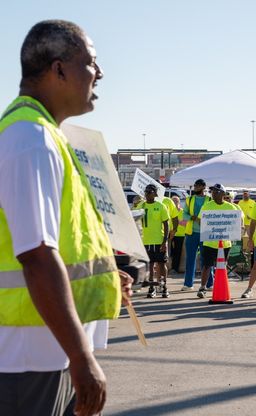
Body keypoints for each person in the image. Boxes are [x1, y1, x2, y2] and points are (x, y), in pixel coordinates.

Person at [0, 20, 132, 416]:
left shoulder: (45, 135)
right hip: (28, 356)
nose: (100, 73)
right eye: (91, 62)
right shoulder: (31, 139)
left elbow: (59, 244)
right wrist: (80, 356)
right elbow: (37, 255)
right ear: (58, 70)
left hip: (43, 350)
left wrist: (107, 274)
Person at [196, 184, 238, 298]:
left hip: (225, 243)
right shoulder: (207, 206)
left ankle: (221, 286)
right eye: (212, 191)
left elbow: (236, 223)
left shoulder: (231, 207)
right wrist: (210, 227)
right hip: (209, 242)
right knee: (207, 265)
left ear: (222, 194)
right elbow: (200, 221)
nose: (213, 193)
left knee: (223, 265)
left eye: (216, 191)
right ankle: (202, 287)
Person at [182, 179, 212, 291]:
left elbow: (212, 214)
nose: (195, 187)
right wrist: (191, 217)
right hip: (191, 233)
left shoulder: (209, 199)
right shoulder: (189, 199)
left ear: (203, 187)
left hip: (206, 233)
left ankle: (209, 284)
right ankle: (188, 284)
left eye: (197, 185)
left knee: (207, 260)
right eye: (194, 185)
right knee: (190, 259)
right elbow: (184, 214)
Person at [141, 184, 170, 298]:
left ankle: (163, 287)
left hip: (159, 240)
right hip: (146, 241)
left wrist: (165, 241)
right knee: (150, 265)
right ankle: (152, 287)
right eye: (146, 192)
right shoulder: (141, 206)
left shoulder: (161, 206)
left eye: (150, 192)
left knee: (162, 264)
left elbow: (166, 224)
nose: (147, 194)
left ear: (155, 193)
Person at [170, 196, 186, 273]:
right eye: (173, 201)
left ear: (179, 202)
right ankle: (171, 267)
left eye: (176, 201)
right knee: (170, 252)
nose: (175, 203)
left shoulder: (182, 212)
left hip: (180, 235)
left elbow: (186, 223)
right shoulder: (170, 211)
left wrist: (176, 221)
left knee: (178, 253)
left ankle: (175, 268)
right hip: (170, 234)